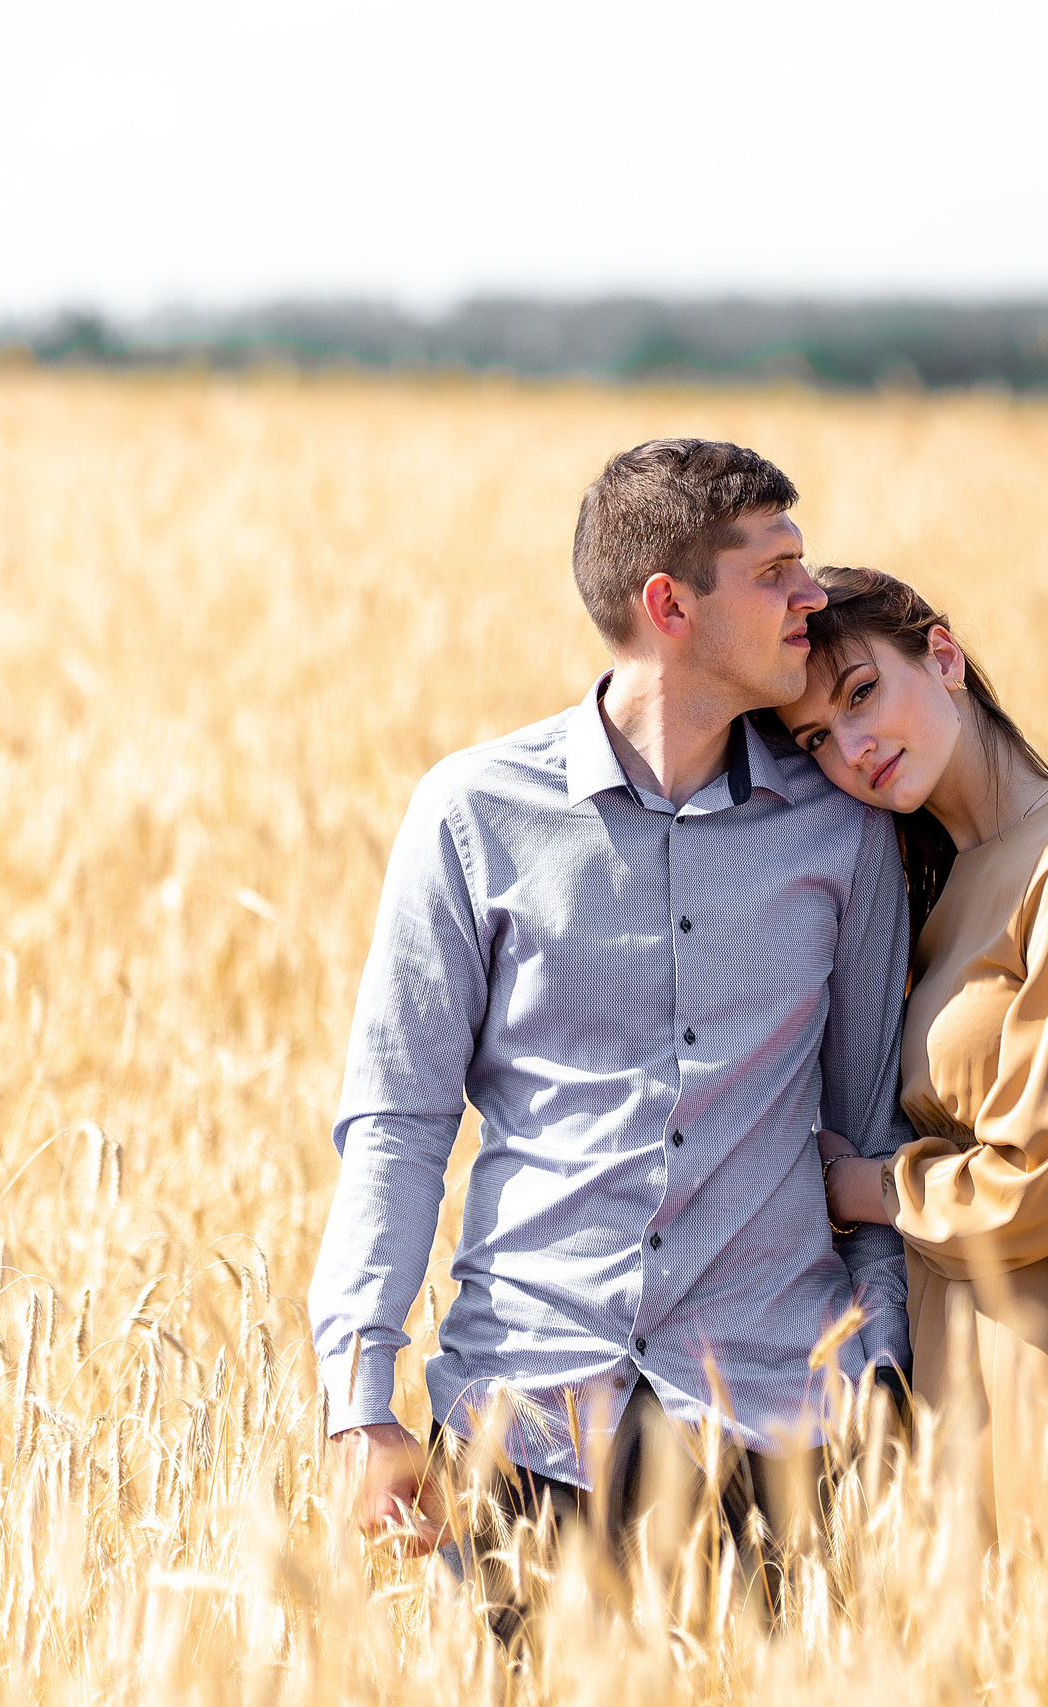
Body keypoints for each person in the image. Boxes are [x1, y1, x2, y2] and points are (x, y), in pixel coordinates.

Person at [306, 441, 914, 1627]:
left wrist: (881, 1377)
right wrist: (359, 1399)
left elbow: (866, 1125)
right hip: (521, 1429)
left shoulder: (840, 835)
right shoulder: (472, 815)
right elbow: (398, 1121)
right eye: (777, 570)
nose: (814, 598)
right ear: (669, 605)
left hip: (774, 1430)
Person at [777, 567, 1048, 1550]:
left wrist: (862, 1188)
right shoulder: (937, 880)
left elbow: (1040, 1184)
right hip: (941, 1354)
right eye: (816, 740)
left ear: (943, 656)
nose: (852, 748)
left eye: (860, 694)